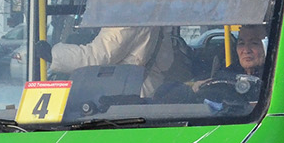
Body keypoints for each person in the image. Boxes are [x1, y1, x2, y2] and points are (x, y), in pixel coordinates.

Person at [34, 26, 190, 98]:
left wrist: (53, 55)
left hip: (129, 100)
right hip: (148, 92)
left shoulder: (128, 18)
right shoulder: (153, 14)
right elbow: (166, 60)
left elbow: (98, 57)